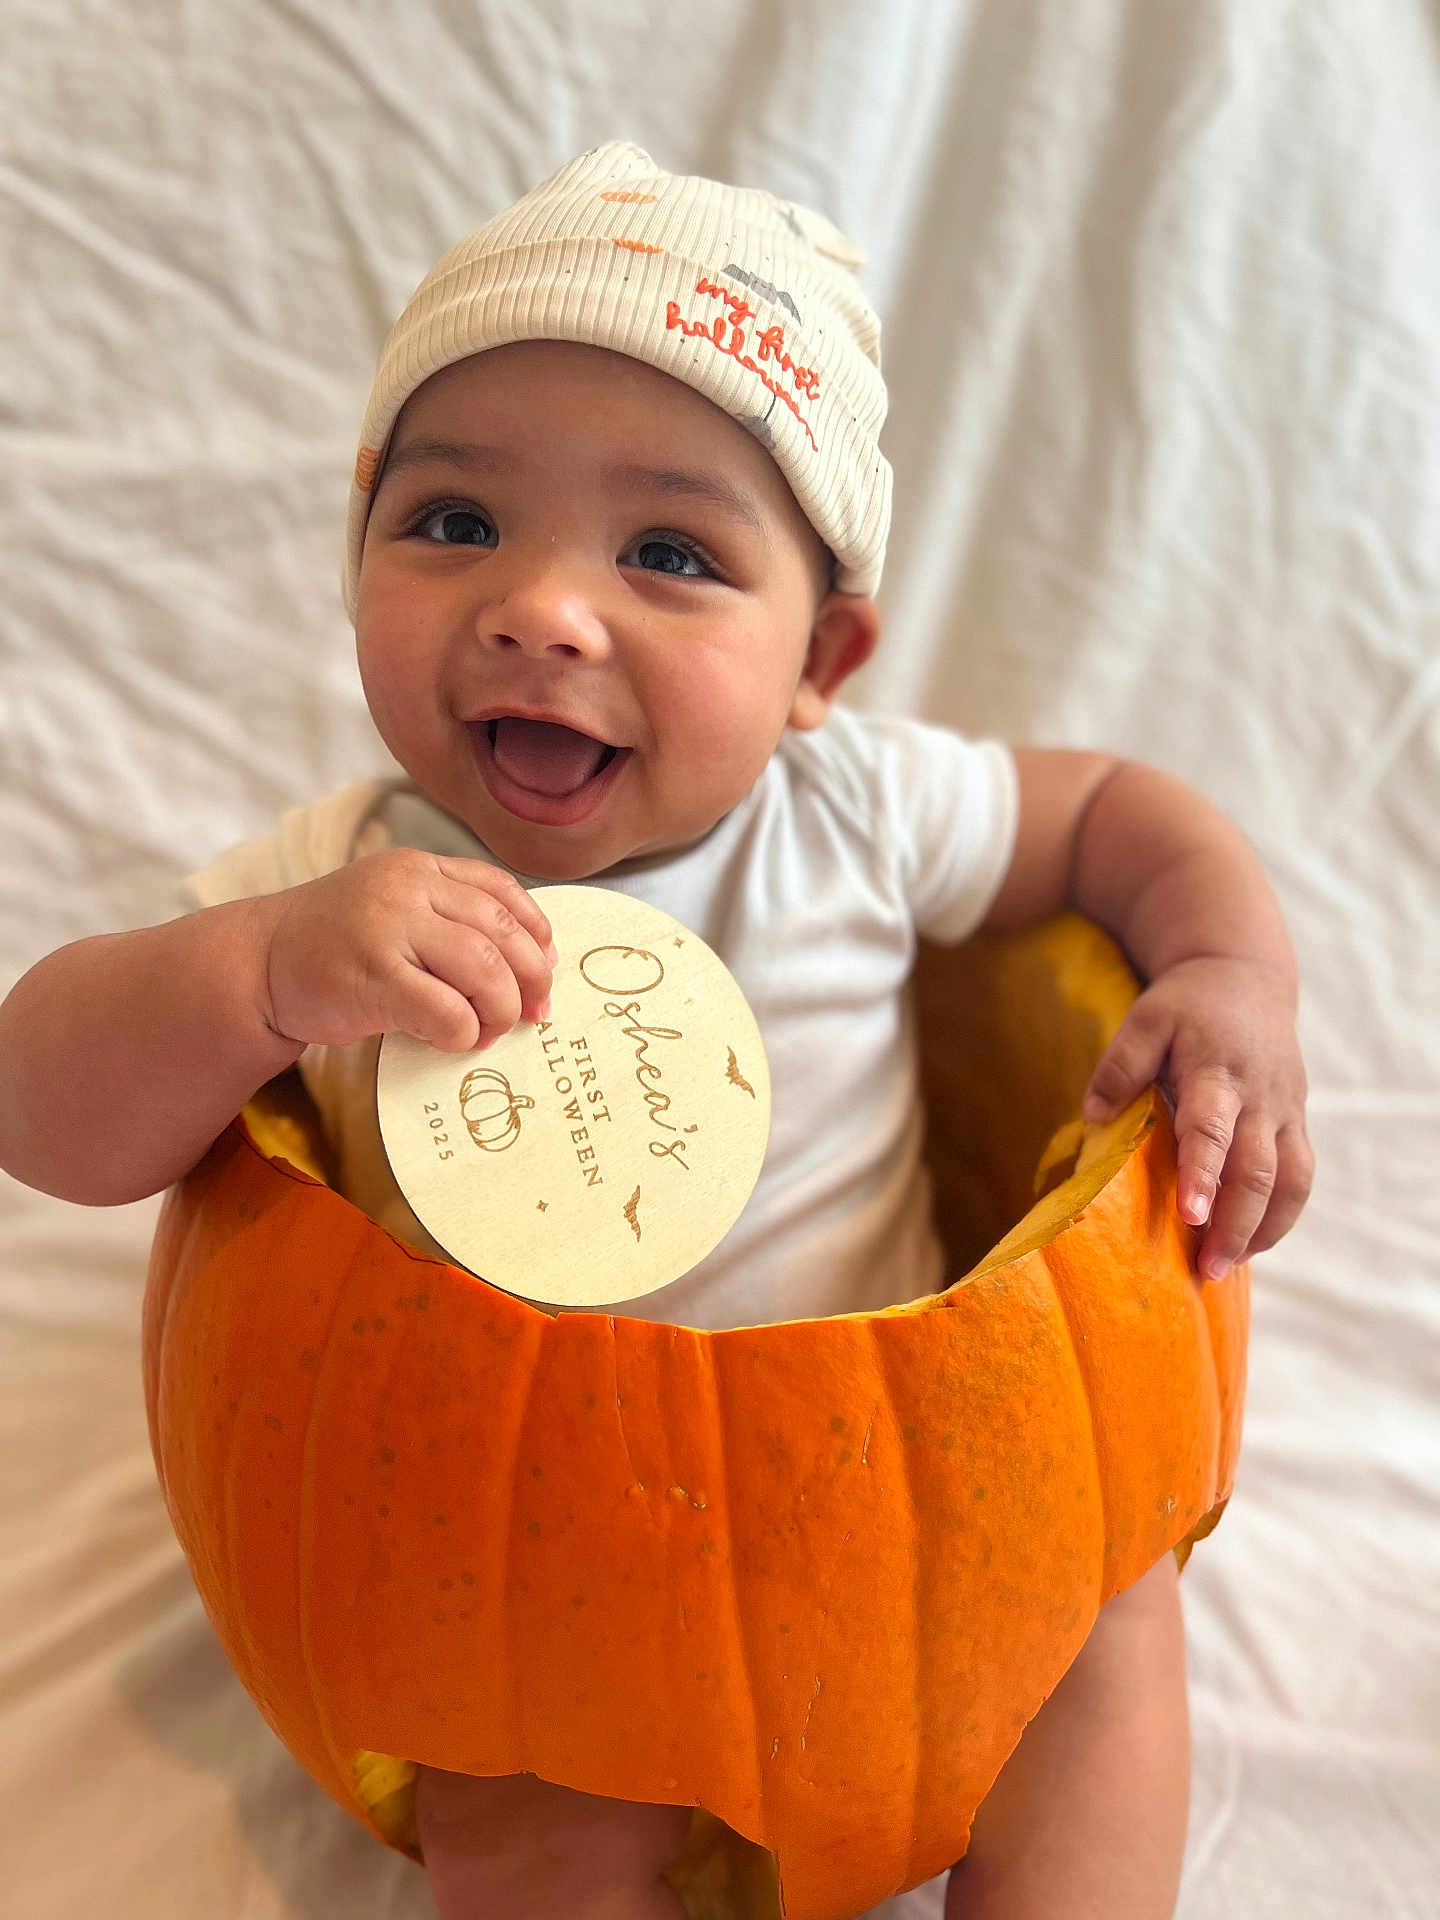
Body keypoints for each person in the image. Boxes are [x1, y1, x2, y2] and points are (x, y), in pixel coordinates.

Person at [0, 143, 1311, 1920]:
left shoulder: (851, 811)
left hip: (936, 1491)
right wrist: (259, 979)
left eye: (671, 552)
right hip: (547, 1581)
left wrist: (1234, 974)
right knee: (532, 1815)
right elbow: (43, 1110)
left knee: (1105, 1624)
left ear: (819, 663)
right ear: (359, 538)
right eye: (455, 521)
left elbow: (1118, 820)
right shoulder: (341, 887)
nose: (543, 605)